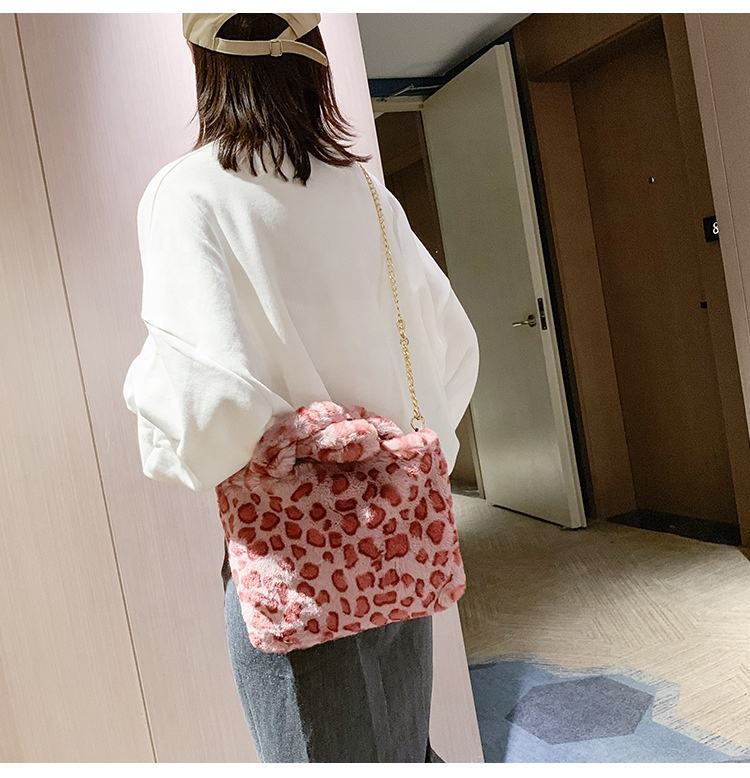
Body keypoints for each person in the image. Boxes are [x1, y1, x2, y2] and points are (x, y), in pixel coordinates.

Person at [122, 12, 479, 764]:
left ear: (206, 62)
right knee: (403, 752)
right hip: (392, 540)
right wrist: (403, 456)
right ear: (314, 57)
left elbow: (207, 406)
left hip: (292, 557)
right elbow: (452, 347)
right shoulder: (369, 196)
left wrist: (165, 431)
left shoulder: (188, 194)